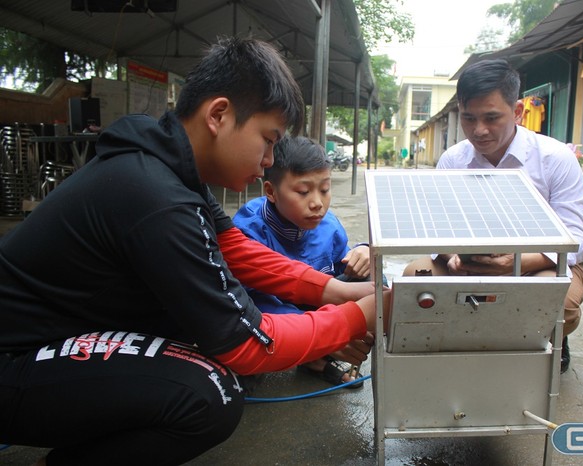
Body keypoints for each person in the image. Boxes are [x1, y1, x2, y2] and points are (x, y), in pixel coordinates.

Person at [0, 37, 387, 466]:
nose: (268, 159)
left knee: (196, 335)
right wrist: (358, 317)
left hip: (58, 340)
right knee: (210, 392)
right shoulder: (155, 196)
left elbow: (238, 253)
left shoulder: (170, 170)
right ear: (219, 115)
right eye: (267, 139)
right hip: (15, 361)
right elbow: (251, 345)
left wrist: (339, 292)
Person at [403, 59, 583, 374]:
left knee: (559, 302)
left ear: (517, 111)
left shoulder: (555, 159)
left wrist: (516, 263)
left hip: (537, 264)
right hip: (464, 261)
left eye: (492, 118)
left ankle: (545, 337)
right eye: (469, 118)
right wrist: (452, 257)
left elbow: (577, 240)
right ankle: (467, 345)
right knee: (414, 278)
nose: (479, 130)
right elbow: (435, 230)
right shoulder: (452, 161)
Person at [234, 135, 371, 387]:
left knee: (373, 278)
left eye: (325, 189)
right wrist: (328, 333)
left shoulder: (329, 226)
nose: (318, 203)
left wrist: (363, 252)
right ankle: (317, 355)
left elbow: (345, 269)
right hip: (278, 320)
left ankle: (326, 353)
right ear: (271, 191)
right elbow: (248, 306)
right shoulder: (247, 232)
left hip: (319, 309)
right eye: (303, 191)